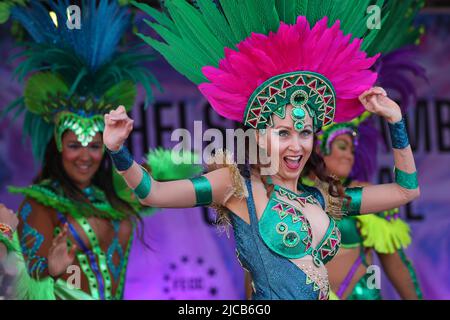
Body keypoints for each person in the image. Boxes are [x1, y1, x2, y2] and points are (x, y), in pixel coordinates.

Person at [103, 1, 423, 300]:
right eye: (283, 133)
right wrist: (118, 150)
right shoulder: (237, 187)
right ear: (258, 136)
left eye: (305, 132)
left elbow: (406, 190)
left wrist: (395, 121)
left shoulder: (322, 198)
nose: (296, 145)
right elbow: (152, 192)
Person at [3, 0, 159, 300]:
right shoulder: (40, 203)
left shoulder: (112, 194)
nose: (85, 155)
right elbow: (24, 280)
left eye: (95, 146)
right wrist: (48, 267)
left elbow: (154, 191)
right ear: (59, 145)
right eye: (75, 145)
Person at [309, 118, 422, 299]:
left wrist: (396, 121)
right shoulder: (290, 197)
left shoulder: (361, 197)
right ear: (317, 148)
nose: (349, 155)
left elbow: (397, 266)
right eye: (342, 146)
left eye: (352, 150)